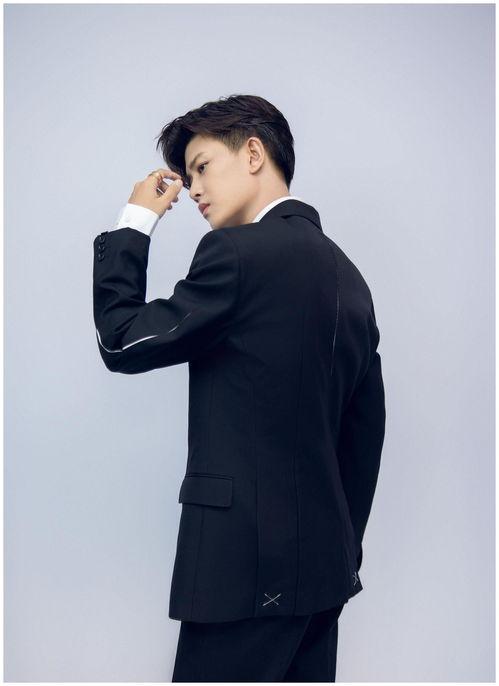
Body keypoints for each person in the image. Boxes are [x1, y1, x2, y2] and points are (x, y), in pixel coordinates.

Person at [92, 94, 386, 682]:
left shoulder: (237, 254)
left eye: (202, 167)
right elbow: (364, 438)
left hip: (241, 575)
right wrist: (339, 551)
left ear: (253, 154)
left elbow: (121, 340)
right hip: (324, 575)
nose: (194, 190)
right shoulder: (350, 277)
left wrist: (135, 222)